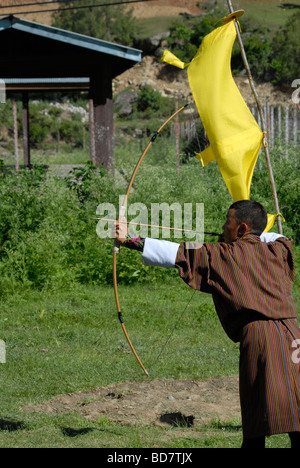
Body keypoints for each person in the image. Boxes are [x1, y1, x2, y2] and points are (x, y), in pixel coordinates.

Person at [115, 200, 300, 448]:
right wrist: (250, 236)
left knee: (256, 417)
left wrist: (129, 240)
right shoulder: (279, 250)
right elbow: (279, 236)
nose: (223, 227)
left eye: (228, 222)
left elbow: (177, 253)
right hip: (292, 335)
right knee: (295, 409)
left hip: (261, 339)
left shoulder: (221, 254)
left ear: (242, 228)